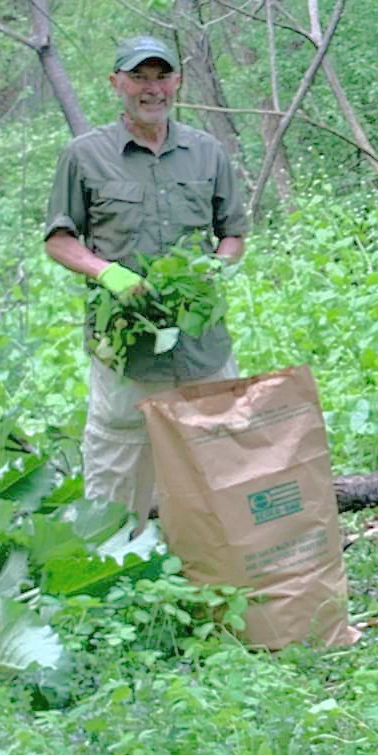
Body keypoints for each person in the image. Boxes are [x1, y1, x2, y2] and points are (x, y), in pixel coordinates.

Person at [44, 35, 249, 525]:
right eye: (138, 77)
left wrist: (213, 268)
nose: (151, 89)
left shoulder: (206, 152)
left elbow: (234, 233)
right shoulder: (85, 155)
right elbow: (59, 239)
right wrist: (107, 272)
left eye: (161, 77)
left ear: (177, 82)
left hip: (202, 344)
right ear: (117, 83)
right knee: (118, 468)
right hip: (126, 347)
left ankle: (219, 568)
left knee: (223, 459)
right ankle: (113, 574)